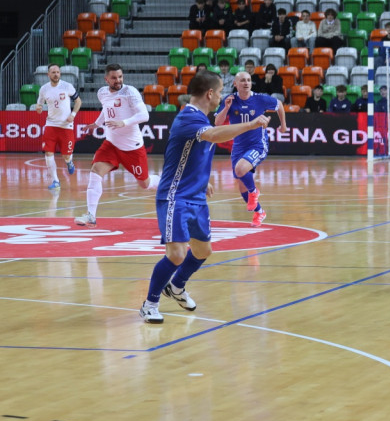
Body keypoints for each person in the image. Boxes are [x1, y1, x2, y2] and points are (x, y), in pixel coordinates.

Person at [140, 70, 271, 324]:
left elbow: (192, 153)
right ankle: (150, 303)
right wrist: (252, 124)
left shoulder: (201, 117)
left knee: (202, 251)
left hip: (196, 196)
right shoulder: (188, 117)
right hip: (175, 196)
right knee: (177, 254)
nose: (222, 97)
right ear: (210, 94)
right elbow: (212, 136)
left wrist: (204, 180)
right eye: (220, 92)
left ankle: (176, 286)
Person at [74, 63, 159, 227]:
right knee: (96, 171)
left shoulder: (130, 92)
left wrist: (124, 122)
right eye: (114, 78)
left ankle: (167, 185)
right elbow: (106, 109)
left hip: (132, 147)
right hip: (112, 143)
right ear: (106, 79)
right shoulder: (102, 93)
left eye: (120, 77)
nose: (118, 80)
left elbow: (144, 115)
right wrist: (97, 124)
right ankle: (91, 215)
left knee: (145, 183)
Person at [213, 71, 288, 228]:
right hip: (239, 146)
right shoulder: (230, 100)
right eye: (242, 80)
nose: (246, 83)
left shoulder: (259, 98)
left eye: (248, 80)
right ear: (235, 84)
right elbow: (217, 123)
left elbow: (279, 104)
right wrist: (226, 108)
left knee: (240, 170)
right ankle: (259, 212)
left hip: (258, 145)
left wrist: (283, 125)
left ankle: (254, 192)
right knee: (242, 185)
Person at [35, 63, 81, 190]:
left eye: (58, 72)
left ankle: (69, 162)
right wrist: (38, 108)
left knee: (66, 155)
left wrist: (73, 114)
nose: (56, 74)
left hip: (66, 126)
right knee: (48, 153)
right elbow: (39, 104)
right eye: (53, 72)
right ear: (48, 74)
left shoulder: (67, 86)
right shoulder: (43, 89)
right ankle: (55, 181)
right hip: (51, 125)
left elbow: (78, 101)